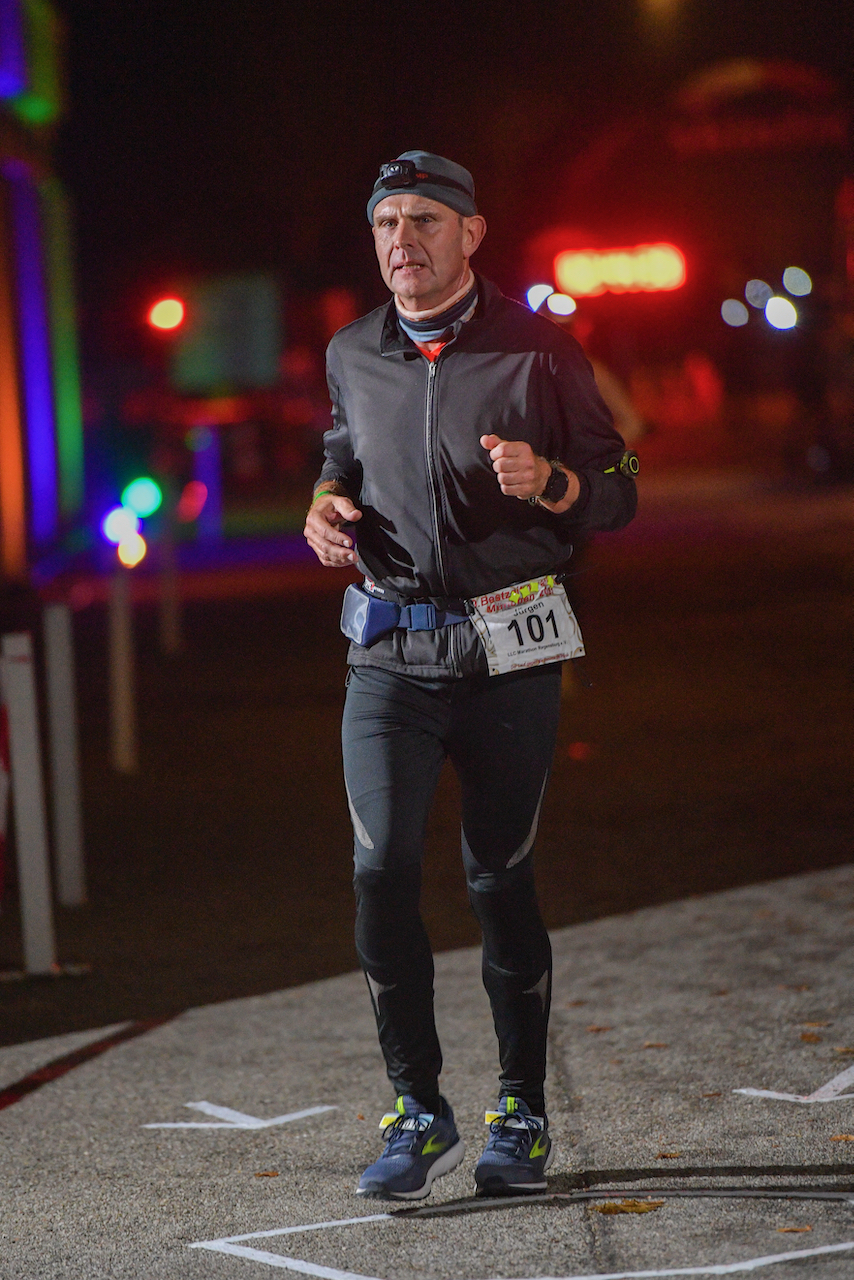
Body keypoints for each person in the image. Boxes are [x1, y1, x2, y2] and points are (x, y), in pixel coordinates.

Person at [303, 151, 637, 1201]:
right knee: (377, 865)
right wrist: (322, 502)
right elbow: (341, 450)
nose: (402, 240)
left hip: (508, 644)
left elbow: (621, 483)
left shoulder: (537, 349)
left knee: (498, 876)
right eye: (386, 222)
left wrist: (552, 481)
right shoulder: (351, 350)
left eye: (425, 220)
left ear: (472, 233)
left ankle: (520, 1107)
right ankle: (417, 1104)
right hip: (388, 650)